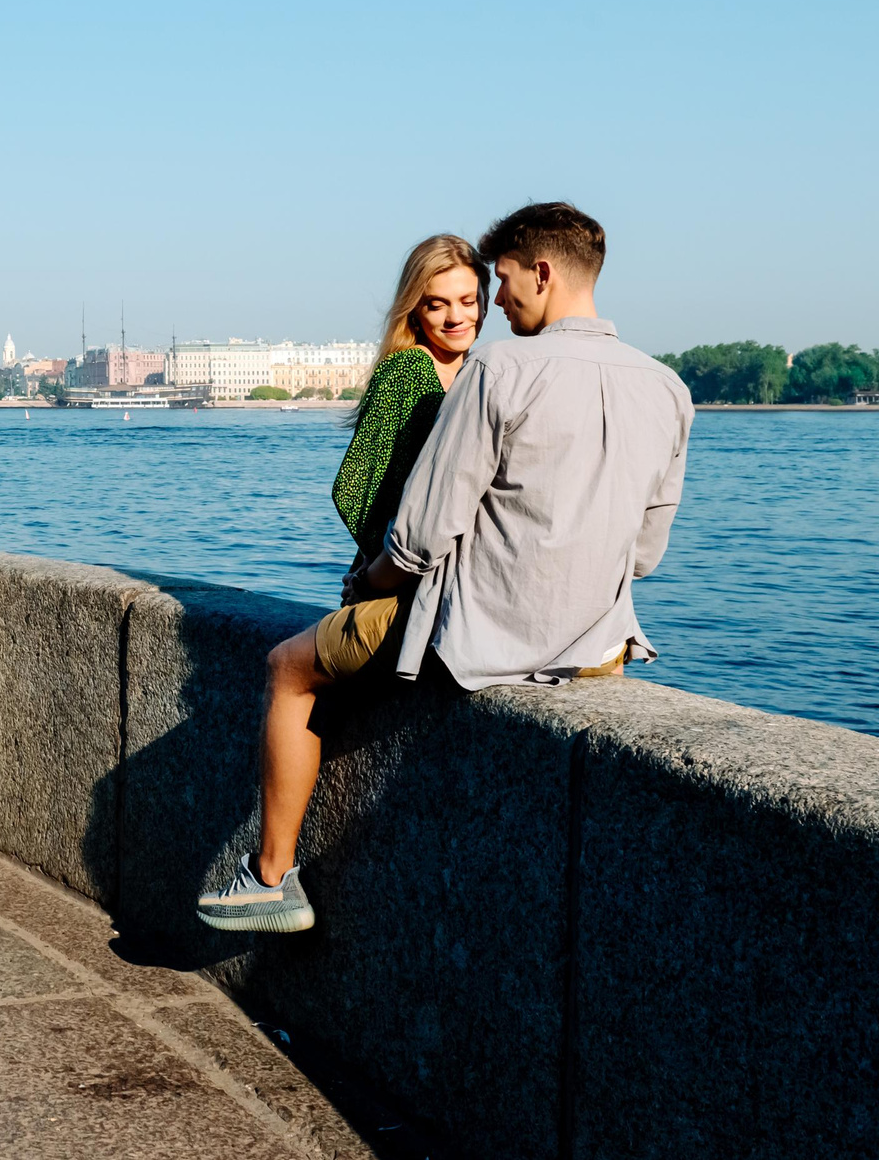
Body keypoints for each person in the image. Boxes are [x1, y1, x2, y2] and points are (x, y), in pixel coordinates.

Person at [198, 202, 693, 934]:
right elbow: (645, 554)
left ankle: (270, 877)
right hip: (597, 644)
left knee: (287, 667)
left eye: (501, 281)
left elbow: (420, 537)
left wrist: (367, 583)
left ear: (542, 273)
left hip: (479, 634)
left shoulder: (500, 368)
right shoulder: (668, 387)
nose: (497, 302)